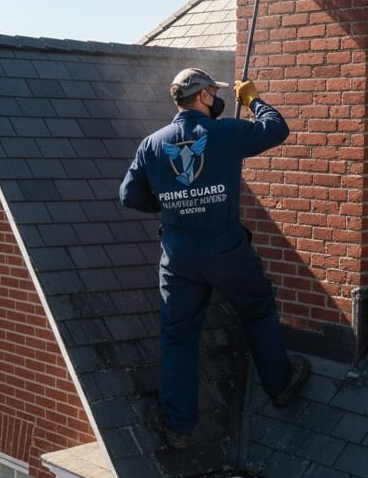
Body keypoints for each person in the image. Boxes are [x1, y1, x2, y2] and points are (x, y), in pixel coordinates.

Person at [120, 67, 309, 449]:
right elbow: (277, 129)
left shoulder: (152, 144)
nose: (217, 98)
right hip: (226, 250)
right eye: (214, 93)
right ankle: (280, 385)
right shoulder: (225, 133)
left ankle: (178, 427)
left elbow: (129, 195)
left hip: (178, 257)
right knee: (257, 309)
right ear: (204, 96)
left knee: (178, 337)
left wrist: (170, 204)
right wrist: (253, 100)